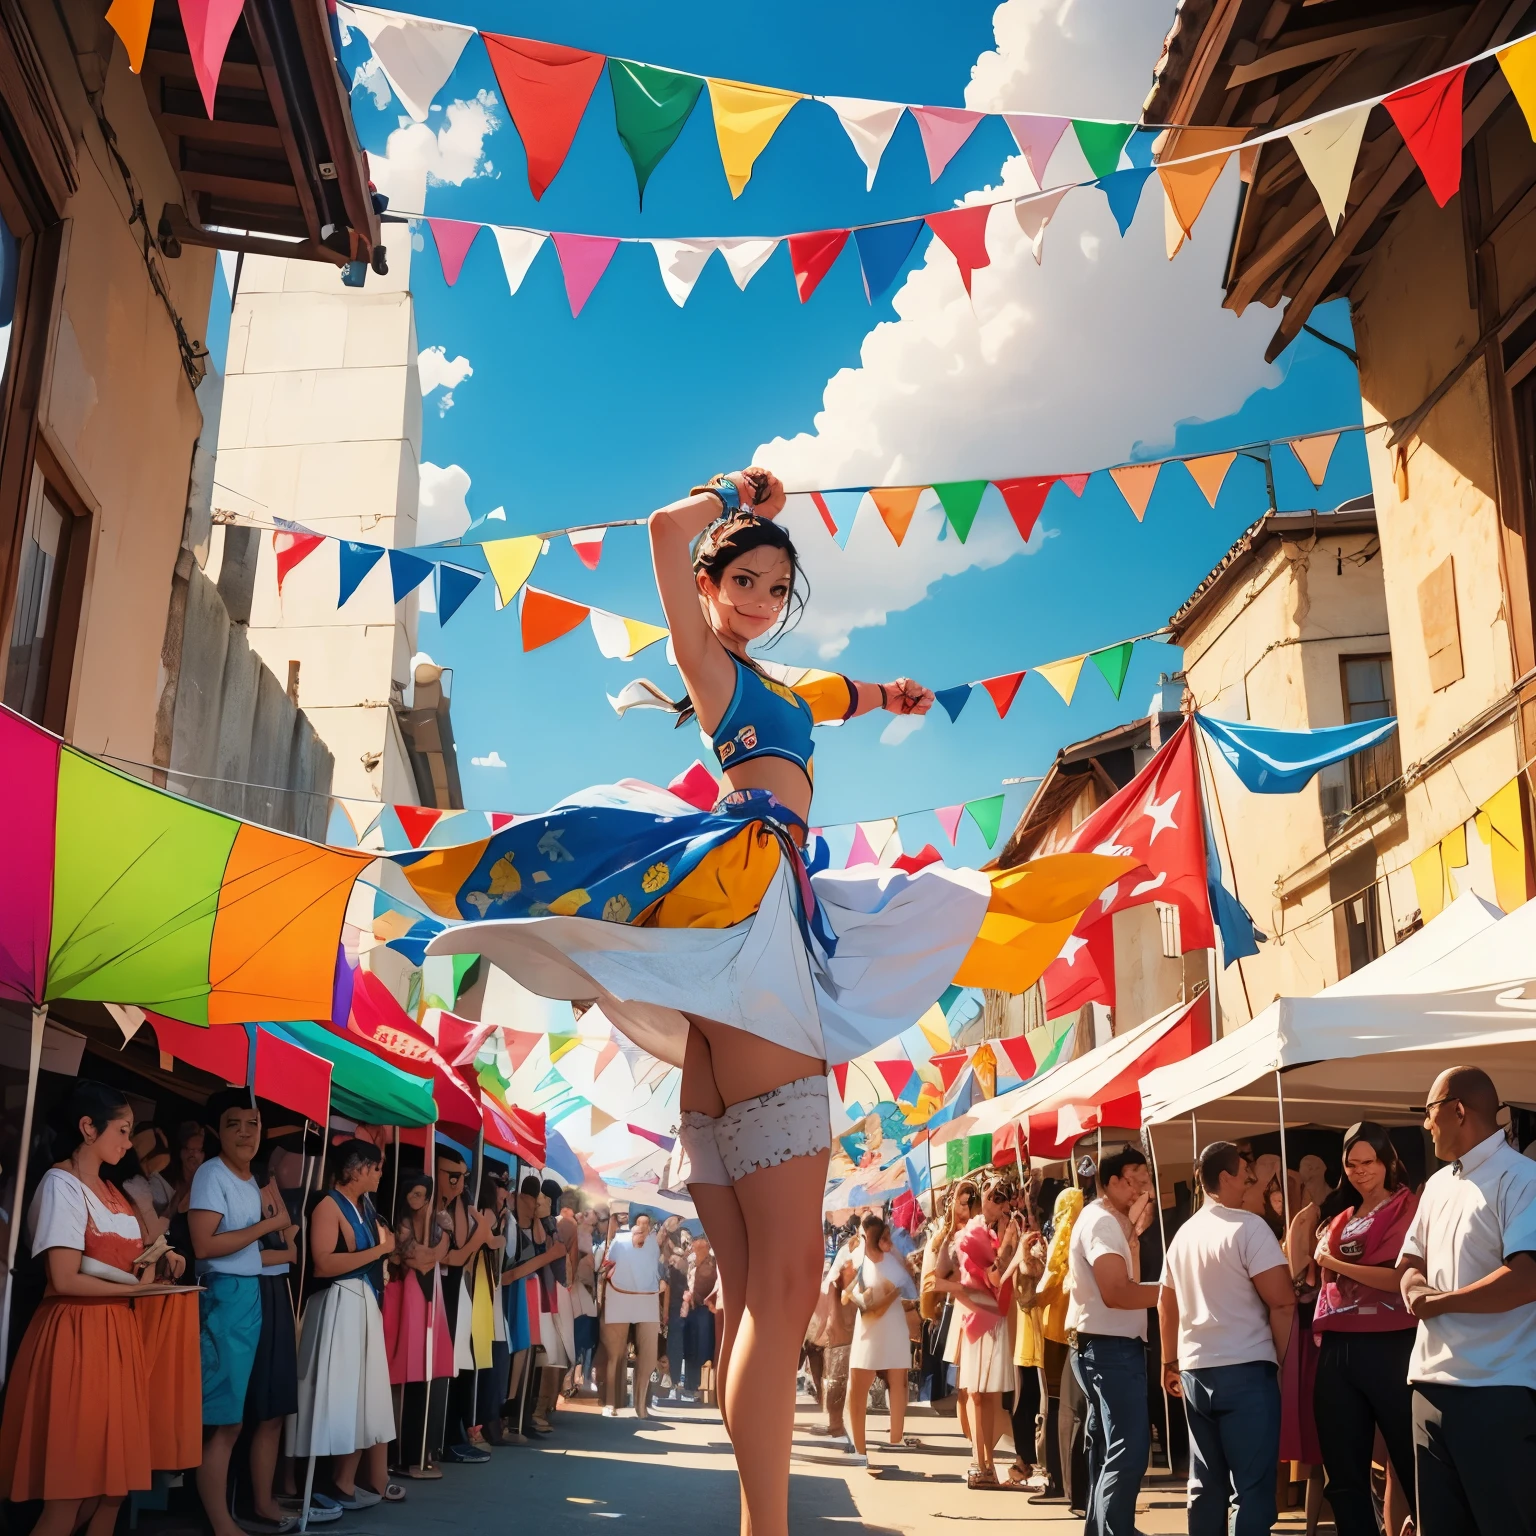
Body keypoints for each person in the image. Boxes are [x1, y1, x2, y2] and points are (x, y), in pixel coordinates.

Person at [412, 468, 1131, 1536]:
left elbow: (826, 699)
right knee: (786, 1294)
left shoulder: (781, 693)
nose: (754, 598)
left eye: (771, 587)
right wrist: (737, 489)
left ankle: (763, 1526)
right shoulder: (709, 664)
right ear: (708, 586)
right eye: (740, 578)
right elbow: (662, 528)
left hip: (751, 955)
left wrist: (888, 696)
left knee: (760, 1301)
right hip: (749, 942)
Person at [0, 1083, 167, 1536]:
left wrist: (156, 1266)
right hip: (75, 1336)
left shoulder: (112, 1189)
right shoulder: (61, 1183)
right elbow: (64, 1277)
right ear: (87, 1128)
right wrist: (136, 1291)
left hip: (116, 1335)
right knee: (71, 1490)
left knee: (110, 1491)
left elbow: (126, 1267)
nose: (129, 1142)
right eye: (123, 1130)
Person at [1398, 1065, 1536, 1535]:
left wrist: (1438, 1303)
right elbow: (1409, 1263)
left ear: (1458, 1110)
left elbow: (1526, 1279)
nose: (1425, 1122)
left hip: (1495, 1391)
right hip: (1430, 1387)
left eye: (1430, 1111)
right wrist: (1415, 1289)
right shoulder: (1436, 1185)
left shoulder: (1522, 1177)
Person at [1159, 1141, 1296, 1536]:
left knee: (1205, 1484)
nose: (1250, 1182)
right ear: (1226, 1177)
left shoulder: (1183, 1234)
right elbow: (1283, 1302)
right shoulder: (1248, 1227)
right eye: (1245, 1174)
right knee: (1251, 1490)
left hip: (1196, 1370)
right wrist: (1279, 1358)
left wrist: (1170, 1361)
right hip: (1245, 1369)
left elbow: (1164, 1303)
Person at [188, 1090, 300, 1536]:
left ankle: (228, 1515)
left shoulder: (251, 1181)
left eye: (253, 1124)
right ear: (218, 1130)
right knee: (224, 1421)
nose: (246, 1133)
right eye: (235, 1124)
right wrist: (271, 1226)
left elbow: (248, 1251)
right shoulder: (210, 1174)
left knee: (238, 1418)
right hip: (223, 1299)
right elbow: (205, 1246)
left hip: (251, 1294)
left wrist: (284, 1249)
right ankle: (220, 1523)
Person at [1307, 1122, 1419, 1536]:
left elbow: (1399, 1278)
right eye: (1351, 1164)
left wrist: (1332, 1263)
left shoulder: (1407, 1208)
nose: (1359, 1171)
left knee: (1411, 1465)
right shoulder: (1341, 1216)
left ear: (1387, 1162)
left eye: (1368, 1162)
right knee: (1343, 1474)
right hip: (1339, 1344)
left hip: (1391, 1341)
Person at [287, 1139, 400, 1507]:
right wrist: (380, 1250)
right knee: (333, 1393)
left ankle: (345, 1481)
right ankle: (315, 1483)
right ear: (356, 1169)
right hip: (337, 1304)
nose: (381, 1174)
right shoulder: (327, 1204)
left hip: (363, 1304)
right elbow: (322, 1263)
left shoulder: (364, 1207)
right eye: (376, 1167)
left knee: (361, 1395)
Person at [1067, 1147, 1159, 1536]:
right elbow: (1118, 1292)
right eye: (1135, 1180)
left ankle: (1102, 1528)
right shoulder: (1102, 1223)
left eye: (1146, 1180)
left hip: (1105, 1346)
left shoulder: (1111, 1222)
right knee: (1129, 1450)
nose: (1143, 1189)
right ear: (1113, 1182)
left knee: (1109, 1450)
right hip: (1108, 1349)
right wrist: (1173, 1291)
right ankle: (1115, 1528)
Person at [950, 1175, 1022, 1489]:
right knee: (978, 1394)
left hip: (994, 1316)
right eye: (996, 1197)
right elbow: (993, 1277)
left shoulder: (993, 1230)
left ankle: (985, 1463)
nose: (1002, 1204)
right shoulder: (975, 1232)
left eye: (1006, 1198)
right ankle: (981, 1464)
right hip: (980, 1317)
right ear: (986, 1197)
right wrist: (1009, 1239)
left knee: (987, 1395)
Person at [383, 1172, 453, 1477]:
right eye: (414, 1193)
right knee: (402, 1368)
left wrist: (441, 1240)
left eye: (423, 1194)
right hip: (405, 1296)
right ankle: (399, 1453)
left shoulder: (433, 1224)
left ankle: (415, 1450)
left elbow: (433, 1256)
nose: (418, 1200)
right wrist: (442, 1241)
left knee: (423, 1369)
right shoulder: (402, 1225)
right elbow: (419, 1258)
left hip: (426, 1296)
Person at [432, 1147, 493, 1462]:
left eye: (463, 1178)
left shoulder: (456, 1206)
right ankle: (438, 1438)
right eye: (453, 1177)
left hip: (456, 1293)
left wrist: (482, 1235)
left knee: (456, 1365)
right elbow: (453, 1256)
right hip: (434, 1296)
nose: (458, 1184)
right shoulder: (429, 1207)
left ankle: (450, 1434)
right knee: (442, 1366)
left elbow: (472, 1250)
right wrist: (478, 1238)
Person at [845, 1214, 916, 1473]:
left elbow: (911, 1290)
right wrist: (857, 1298)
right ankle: (859, 1448)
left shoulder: (894, 1260)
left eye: (886, 1236)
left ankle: (896, 1437)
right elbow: (845, 1288)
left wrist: (905, 1269)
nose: (885, 1241)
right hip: (868, 1325)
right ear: (867, 1236)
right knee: (858, 1383)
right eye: (880, 1237)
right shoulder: (856, 1257)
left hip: (893, 1324)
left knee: (898, 1377)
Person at [600, 1210, 662, 1418]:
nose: (643, 1229)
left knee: (649, 1355)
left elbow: (660, 1268)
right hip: (620, 1296)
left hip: (647, 1297)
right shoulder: (620, 1240)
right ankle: (610, 1402)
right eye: (640, 1225)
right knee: (615, 1355)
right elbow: (607, 1264)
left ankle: (641, 1405)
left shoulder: (655, 1243)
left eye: (647, 1225)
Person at [680, 1234, 718, 1401]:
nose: (694, 1243)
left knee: (703, 1346)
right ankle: (690, 1385)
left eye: (697, 1241)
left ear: (705, 1244)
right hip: (691, 1308)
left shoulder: (714, 1262)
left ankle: (703, 1388)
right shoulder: (690, 1261)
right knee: (690, 1347)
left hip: (704, 1309)